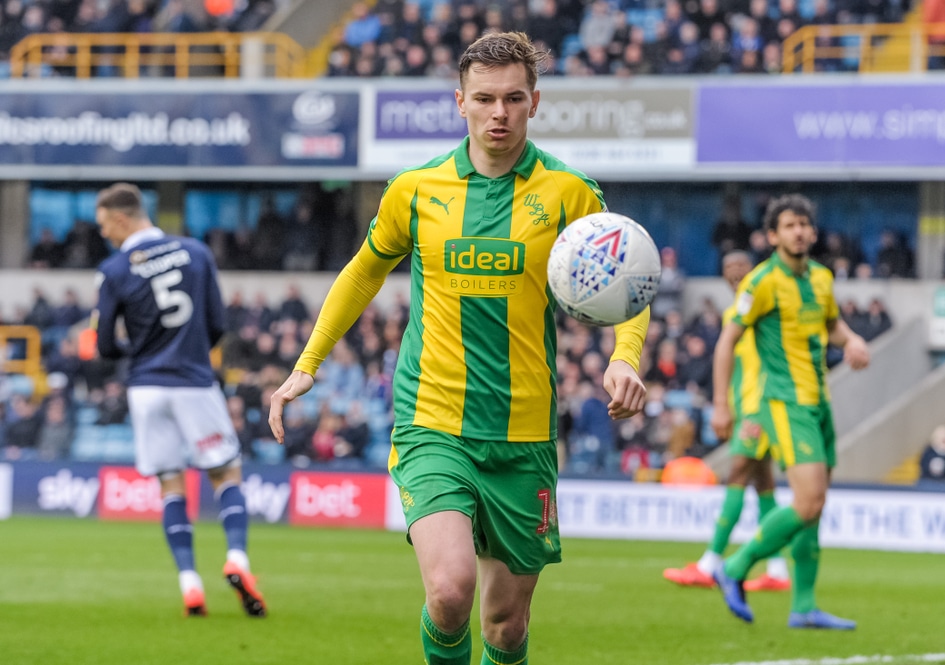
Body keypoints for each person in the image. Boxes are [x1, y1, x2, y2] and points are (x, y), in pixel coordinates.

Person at [268, 31, 649, 665]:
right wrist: (308, 364)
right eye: (485, 99)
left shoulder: (571, 193)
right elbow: (364, 270)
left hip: (523, 431)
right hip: (433, 420)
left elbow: (629, 285)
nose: (499, 113)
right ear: (460, 102)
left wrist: (624, 357)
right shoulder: (416, 189)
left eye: (513, 99)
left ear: (535, 103)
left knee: (505, 624)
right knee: (449, 592)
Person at [92, 183, 266, 618]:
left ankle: (190, 585)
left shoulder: (114, 270)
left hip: (146, 389)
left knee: (171, 484)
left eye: (103, 226)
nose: (103, 234)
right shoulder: (197, 252)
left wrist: (137, 351)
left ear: (119, 218)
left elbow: (103, 346)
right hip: (192, 380)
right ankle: (238, 560)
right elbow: (216, 324)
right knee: (225, 473)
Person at [709, 194, 870, 630]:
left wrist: (851, 339)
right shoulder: (760, 282)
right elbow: (727, 341)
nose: (799, 231)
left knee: (814, 507)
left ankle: (803, 606)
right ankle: (736, 565)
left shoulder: (821, 277)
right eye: (789, 225)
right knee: (808, 500)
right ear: (773, 235)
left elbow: (832, 323)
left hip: (820, 402)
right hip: (783, 403)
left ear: (813, 233)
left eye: (804, 224)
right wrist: (722, 404)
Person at [663, 251, 790, 592]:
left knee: (736, 474)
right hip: (749, 404)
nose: (735, 273)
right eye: (728, 268)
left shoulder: (759, 308)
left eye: (741, 268)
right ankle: (778, 570)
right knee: (763, 486)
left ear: (754, 272)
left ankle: (710, 563)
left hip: (761, 405)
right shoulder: (736, 313)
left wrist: (734, 407)